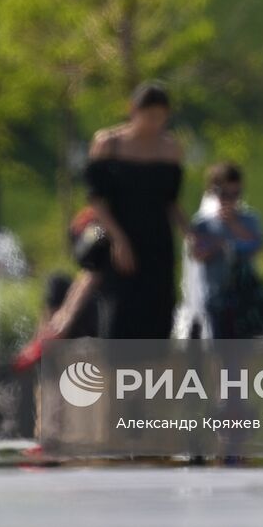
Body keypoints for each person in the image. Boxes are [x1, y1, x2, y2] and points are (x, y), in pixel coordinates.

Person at [83, 82, 188, 339]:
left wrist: (190, 234)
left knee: (157, 320)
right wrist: (119, 239)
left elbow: (171, 201)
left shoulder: (171, 149)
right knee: (118, 320)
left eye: (161, 118)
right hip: (118, 243)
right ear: (133, 110)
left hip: (157, 245)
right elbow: (96, 200)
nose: (155, 123)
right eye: (150, 116)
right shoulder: (108, 144)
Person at [187, 162, 263, 339]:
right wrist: (218, 245)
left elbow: (257, 245)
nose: (230, 200)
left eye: (235, 194)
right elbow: (197, 254)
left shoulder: (249, 219)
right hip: (216, 295)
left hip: (245, 294)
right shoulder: (203, 223)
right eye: (224, 194)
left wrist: (233, 224)